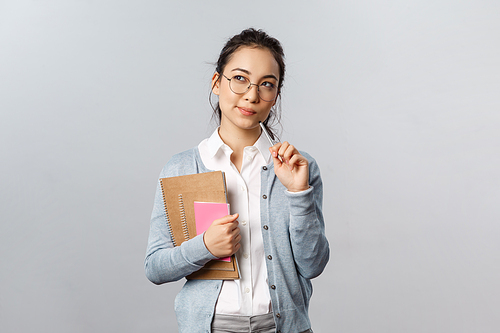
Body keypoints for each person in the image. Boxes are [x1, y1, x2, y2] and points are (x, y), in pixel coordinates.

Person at [145, 28, 329, 333]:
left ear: (275, 96)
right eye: (240, 78)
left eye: (266, 85)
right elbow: (155, 267)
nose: (252, 95)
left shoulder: (299, 167)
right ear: (217, 83)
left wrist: (298, 192)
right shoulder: (182, 167)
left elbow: (313, 265)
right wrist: (204, 246)